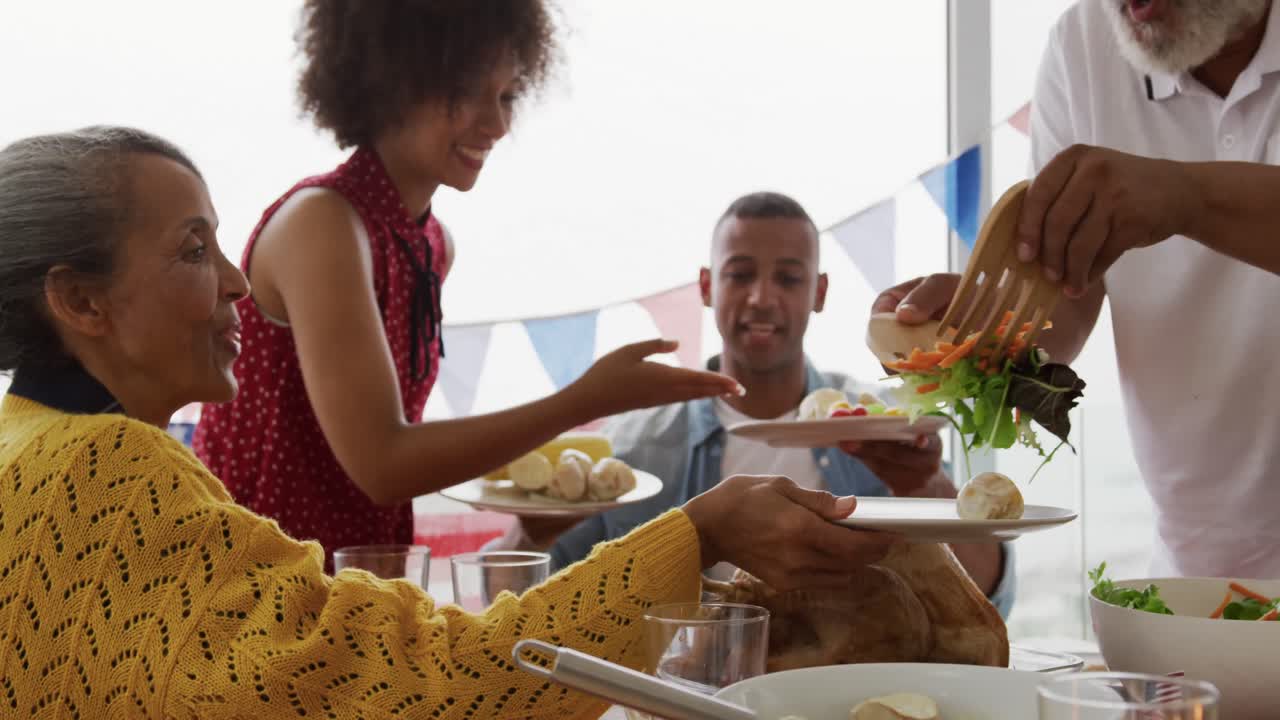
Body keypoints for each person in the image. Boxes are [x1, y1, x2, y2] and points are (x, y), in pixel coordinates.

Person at [0, 126, 896, 718]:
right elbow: (445, 683)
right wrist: (696, 532)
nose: (239, 282)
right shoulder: (109, 469)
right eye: (196, 250)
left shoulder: (33, 439)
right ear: (81, 300)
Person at [192, 0, 743, 565]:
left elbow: (390, 467)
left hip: (358, 590)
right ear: (389, 80)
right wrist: (584, 400)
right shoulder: (323, 223)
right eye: (467, 92)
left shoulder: (430, 243)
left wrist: (531, 528)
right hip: (256, 593)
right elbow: (383, 464)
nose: (498, 123)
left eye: (506, 96)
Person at [877, 0, 1280, 578]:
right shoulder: (1084, 41)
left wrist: (1185, 196)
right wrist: (985, 330)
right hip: (1190, 577)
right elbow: (1066, 303)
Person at [492, 192, 1015, 615]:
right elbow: (510, 603)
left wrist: (923, 486)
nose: (762, 297)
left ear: (820, 292)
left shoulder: (882, 427)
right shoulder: (635, 449)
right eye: (740, 274)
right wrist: (530, 528)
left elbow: (991, 596)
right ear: (706, 286)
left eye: (788, 278)